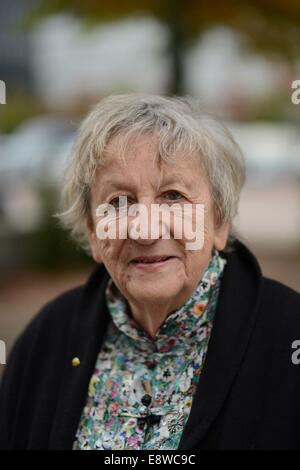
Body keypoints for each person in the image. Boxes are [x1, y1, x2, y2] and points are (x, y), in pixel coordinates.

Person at [0, 94, 299, 450]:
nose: (145, 230)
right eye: (118, 202)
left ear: (219, 222)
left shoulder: (288, 336)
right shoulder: (46, 339)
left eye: (173, 196)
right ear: (94, 233)